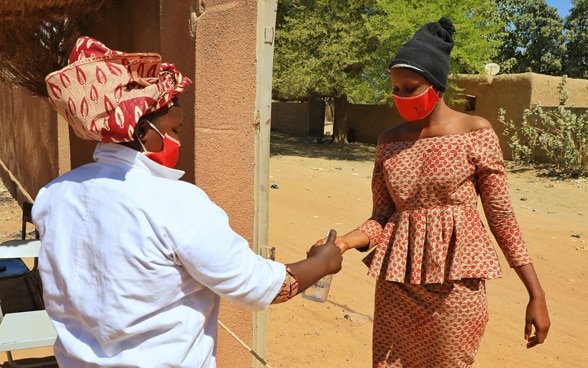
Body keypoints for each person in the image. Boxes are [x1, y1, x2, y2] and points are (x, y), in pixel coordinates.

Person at [34, 36, 342, 367]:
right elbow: (259, 287)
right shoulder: (176, 203)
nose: (178, 140)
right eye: (175, 130)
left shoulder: (54, 195)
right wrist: (322, 263)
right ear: (141, 131)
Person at [315, 17, 550, 367]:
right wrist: (343, 244)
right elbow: (382, 216)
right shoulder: (389, 142)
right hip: (397, 288)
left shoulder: (476, 133)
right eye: (395, 89)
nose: (400, 97)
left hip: (456, 289)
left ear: (436, 85)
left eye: (410, 88)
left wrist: (536, 292)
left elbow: (501, 217)